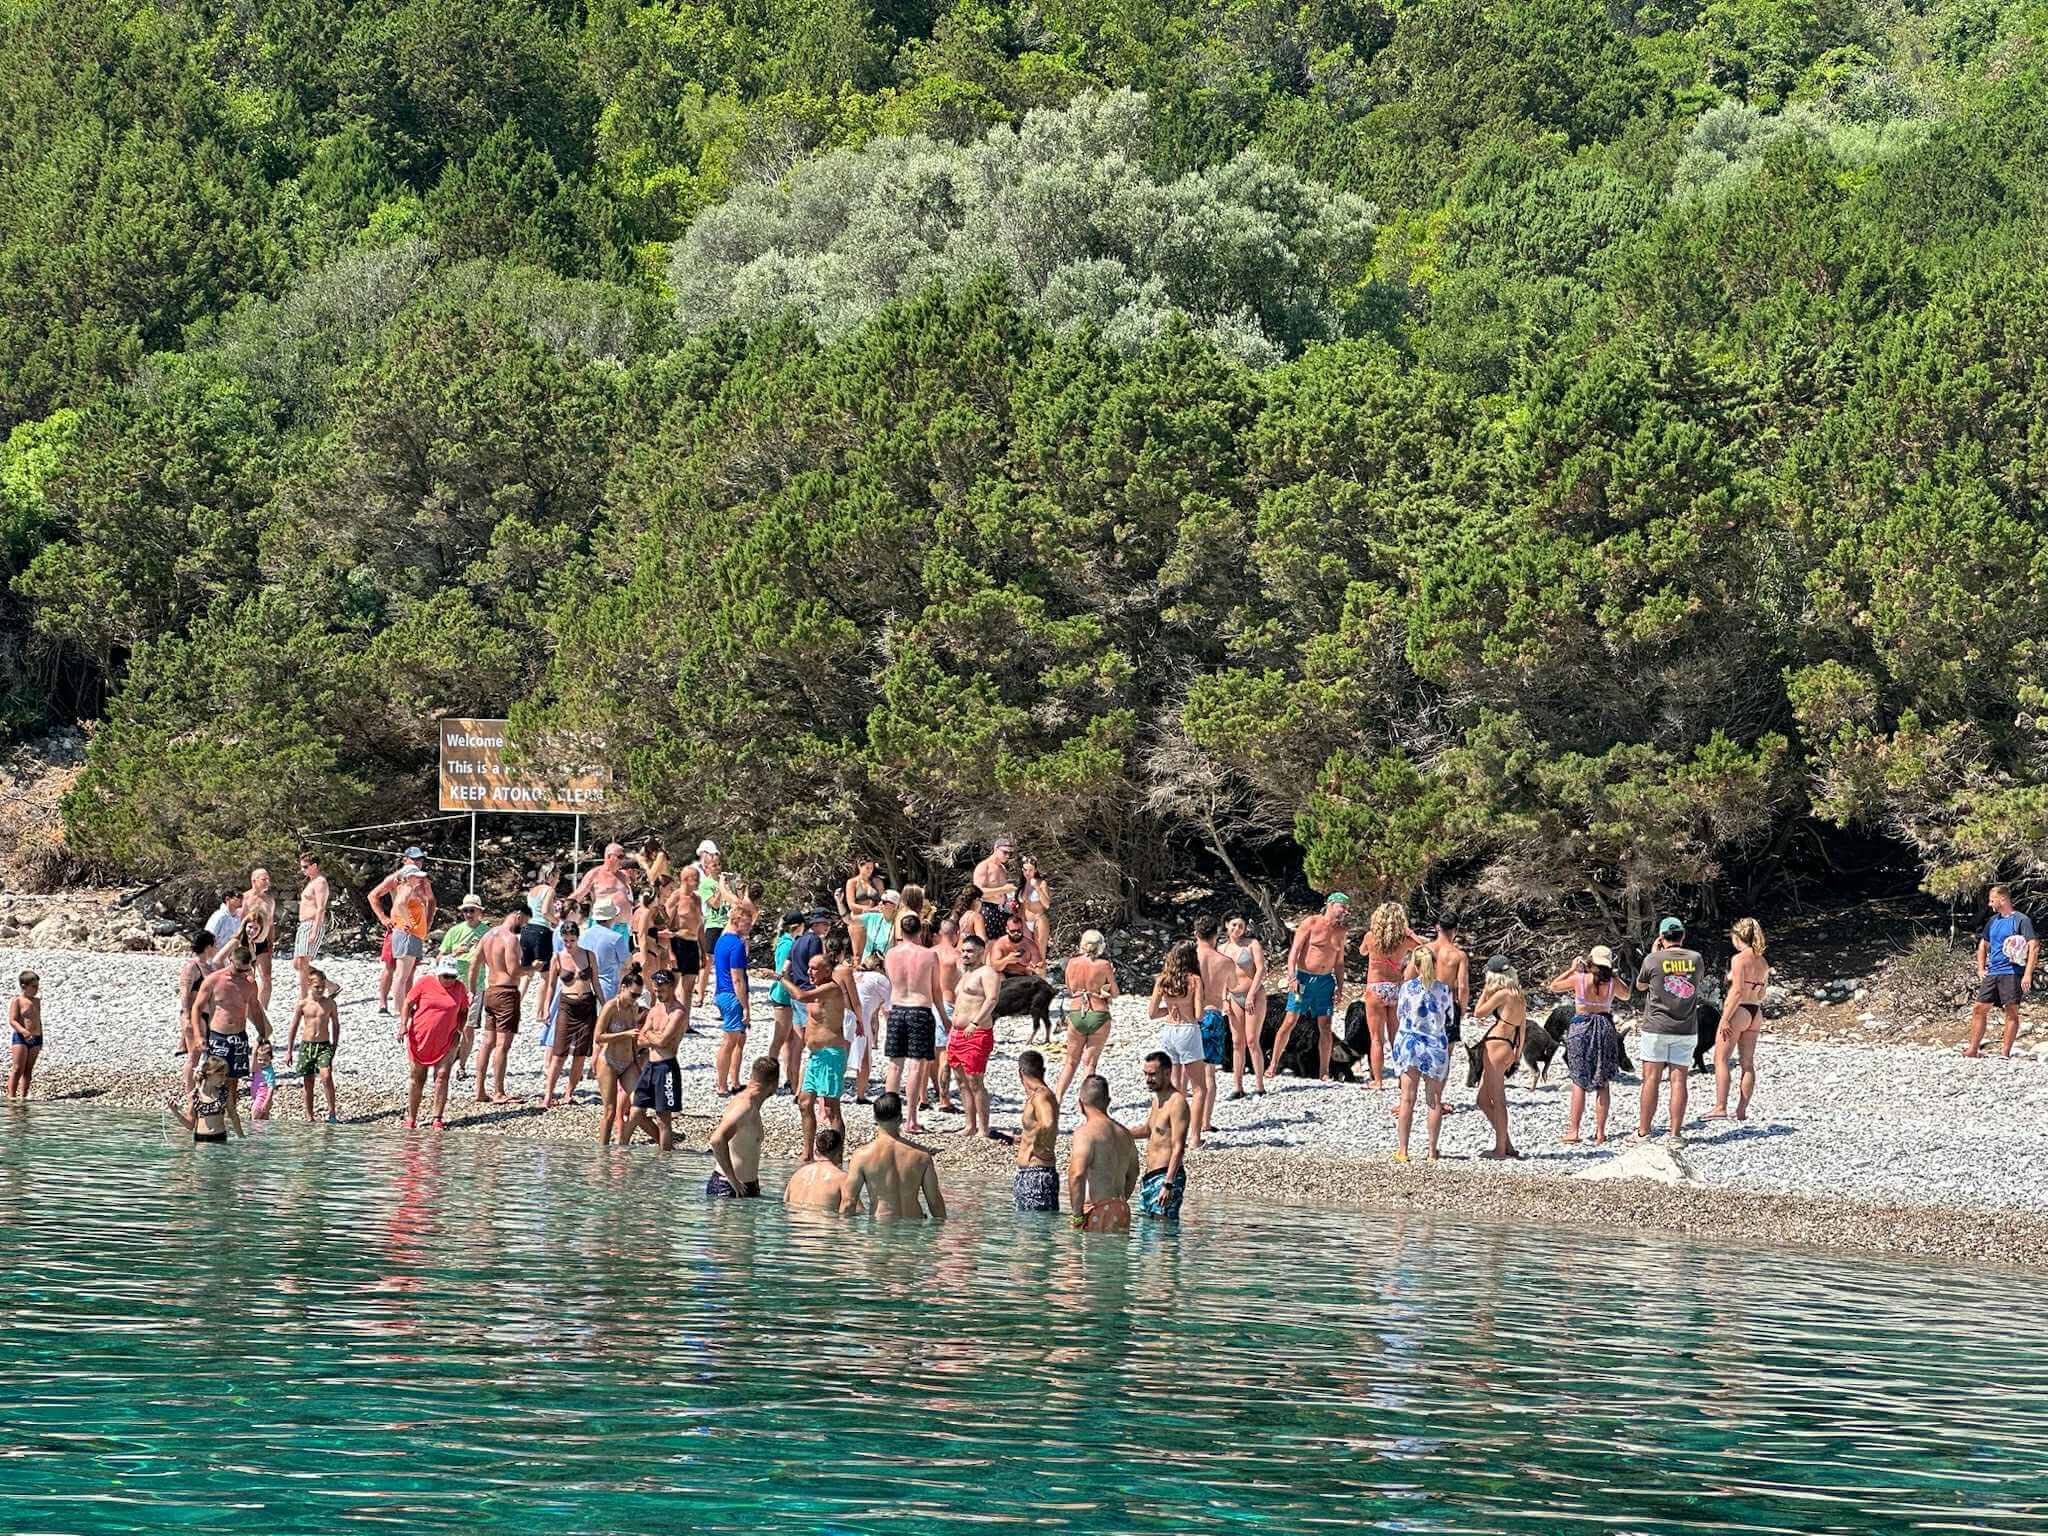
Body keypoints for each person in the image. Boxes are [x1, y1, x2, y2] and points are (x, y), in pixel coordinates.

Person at [1550, 945, 1631, 1145]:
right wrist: (1614, 974)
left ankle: (1574, 1131)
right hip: (1604, 1026)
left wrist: (1572, 969)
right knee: (1602, 1081)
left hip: (1581, 1026)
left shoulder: (1580, 979)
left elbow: (1554, 986)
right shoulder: (1612, 982)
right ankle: (1600, 1132)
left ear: (1591, 961)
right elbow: (1627, 995)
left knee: (1578, 1080)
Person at [1634, 918, 1703, 1144]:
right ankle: (1675, 1134)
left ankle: (1644, 1132)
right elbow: (1696, 982)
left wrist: (1655, 954)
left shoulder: (1653, 959)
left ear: (1661, 937)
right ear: (1683, 936)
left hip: (1656, 1026)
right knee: (1679, 1080)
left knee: (1651, 1079)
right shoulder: (1696, 958)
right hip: (1686, 1027)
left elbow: (1641, 986)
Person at [883, 914, 946, 1132]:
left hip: (897, 1009)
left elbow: (891, 982)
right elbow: (936, 991)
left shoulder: (891, 954)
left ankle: (888, 1117)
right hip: (920, 1010)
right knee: (916, 1066)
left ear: (901, 932)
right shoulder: (929, 955)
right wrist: (945, 1018)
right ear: (920, 931)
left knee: (894, 1065)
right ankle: (911, 1119)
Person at [841, 1091, 946, 1221]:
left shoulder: (862, 1156)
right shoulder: (922, 1156)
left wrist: (843, 1230)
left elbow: (849, 1202)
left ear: (875, 1118)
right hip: (914, 1226)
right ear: (900, 1118)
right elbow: (934, 1202)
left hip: (881, 1227)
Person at [1390, 945, 1453, 1162]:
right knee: (1434, 1101)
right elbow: (1449, 1017)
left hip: (1410, 1044)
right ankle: (1431, 1152)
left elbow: (1400, 1014)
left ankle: (1403, 1151)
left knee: (1407, 1099)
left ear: (1415, 966)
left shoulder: (1407, 988)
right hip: (1435, 1045)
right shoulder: (1443, 989)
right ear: (1434, 964)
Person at [1277, 894, 1348, 1080]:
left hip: (1325, 982)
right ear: (1330, 904)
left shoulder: (1341, 931)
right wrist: (1292, 977)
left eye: (1346, 908)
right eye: (1342, 906)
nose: (1345, 911)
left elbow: (1339, 963)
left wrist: (1340, 987)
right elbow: (1294, 951)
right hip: (1304, 979)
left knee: (1325, 1025)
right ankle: (1273, 1064)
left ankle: (1324, 1071)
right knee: (1290, 1020)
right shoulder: (1311, 922)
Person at [791, 948, 853, 1160]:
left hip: (831, 1054)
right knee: (804, 1103)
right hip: (815, 1056)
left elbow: (800, 996)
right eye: (808, 968)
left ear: (827, 971)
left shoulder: (832, 988)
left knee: (831, 1108)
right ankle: (807, 1152)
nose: (809, 972)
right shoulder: (818, 989)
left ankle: (837, 1156)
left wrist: (780, 978)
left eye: (814, 969)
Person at [1359, 902, 1424, 1096]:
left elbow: (1362, 951)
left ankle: (1378, 1080)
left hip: (1376, 988)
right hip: (1396, 988)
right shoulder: (1404, 940)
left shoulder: (1370, 937)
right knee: (1397, 1037)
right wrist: (1410, 933)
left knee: (1376, 1038)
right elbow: (1425, 948)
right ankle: (1401, 1079)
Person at [1148, 940, 1208, 1148]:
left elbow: (1152, 1013)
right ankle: (1195, 1138)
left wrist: (1170, 1008)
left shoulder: (1162, 979)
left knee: (1175, 1087)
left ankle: (1174, 1135)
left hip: (1168, 1031)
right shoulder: (1194, 980)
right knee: (1199, 1089)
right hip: (1187, 1030)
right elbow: (1199, 1015)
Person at [1966, 884, 2038, 1059]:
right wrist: (1981, 968)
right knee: (1979, 1008)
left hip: (2012, 972)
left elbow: (2034, 946)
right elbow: (1983, 944)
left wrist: (2028, 974)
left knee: (2011, 1010)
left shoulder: (2021, 920)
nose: (1990, 904)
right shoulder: (1993, 921)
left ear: (2003, 899)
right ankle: (1973, 1049)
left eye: (1992, 900)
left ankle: (2004, 1053)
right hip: (1993, 971)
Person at [1708, 917, 1769, 1121]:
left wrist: (1725, 1018)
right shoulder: (1763, 961)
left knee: (1721, 1059)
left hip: (1739, 1010)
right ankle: (1741, 1110)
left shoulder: (1739, 959)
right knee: (1747, 1063)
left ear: (1737, 937)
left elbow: (1736, 991)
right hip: (1755, 1011)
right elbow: (1761, 993)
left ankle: (1720, 1107)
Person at [188, 942, 271, 1089]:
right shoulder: (213, 980)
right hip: (218, 1036)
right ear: (230, 961)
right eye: (238, 969)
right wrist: (198, 1036)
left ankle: (231, 1104)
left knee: (234, 1080)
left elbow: (255, 1009)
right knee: (214, 1077)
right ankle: (207, 1101)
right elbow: (197, 1008)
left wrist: (262, 1034)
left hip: (239, 1036)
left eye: (246, 970)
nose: (241, 973)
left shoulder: (250, 983)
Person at [400, 956, 468, 1130]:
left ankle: (437, 1118)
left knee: (442, 1075)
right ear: (438, 973)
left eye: (453, 976)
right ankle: (411, 1118)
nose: (449, 980)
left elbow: (463, 1011)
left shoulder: (459, 988)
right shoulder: (424, 983)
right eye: (446, 976)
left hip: (447, 1039)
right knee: (417, 1076)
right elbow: (408, 1003)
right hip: (420, 1037)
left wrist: (459, 1031)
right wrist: (403, 1025)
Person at [1469, 957, 1526, 1160]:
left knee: (1498, 1100)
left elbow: (1478, 1013)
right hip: (1509, 1044)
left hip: (1496, 1044)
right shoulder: (1518, 994)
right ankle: (1506, 1143)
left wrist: (1485, 991)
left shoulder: (1502, 994)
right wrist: (1517, 1052)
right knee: (1483, 1099)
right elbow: (1523, 1025)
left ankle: (1500, 1149)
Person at [469, 910, 529, 1105]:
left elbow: (474, 964)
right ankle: (499, 1092)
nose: (524, 927)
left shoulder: (487, 935)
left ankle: (479, 1090)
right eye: (524, 922)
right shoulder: (510, 939)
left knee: (487, 1042)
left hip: (491, 991)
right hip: (507, 993)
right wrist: (533, 967)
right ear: (518, 916)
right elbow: (514, 970)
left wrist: (472, 990)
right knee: (502, 1045)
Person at [540, 917, 601, 1107]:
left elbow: (596, 983)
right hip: (567, 1005)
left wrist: (605, 1005)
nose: (568, 944)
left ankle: (569, 1093)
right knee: (559, 1053)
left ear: (577, 938)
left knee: (580, 1054)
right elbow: (551, 986)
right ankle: (548, 1096)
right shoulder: (557, 957)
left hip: (587, 1004)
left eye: (572, 940)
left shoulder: (589, 955)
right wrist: (546, 1008)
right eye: (565, 940)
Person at [1053, 929, 1118, 1104]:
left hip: (1076, 1012)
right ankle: (1085, 1103)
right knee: (1090, 1064)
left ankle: (1057, 1099)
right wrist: (1103, 988)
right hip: (1098, 1012)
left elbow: (1070, 989)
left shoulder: (1071, 963)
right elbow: (1115, 993)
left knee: (1070, 1061)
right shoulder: (1104, 965)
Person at [947, 932, 1001, 1140]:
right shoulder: (965, 973)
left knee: (975, 1080)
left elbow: (992, 999)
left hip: (976, 1033)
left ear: (981, 951)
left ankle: (983, 1128)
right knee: (961, 1081)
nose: (965, 954)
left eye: (969, 951)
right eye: (963, 951)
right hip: (957, 1033)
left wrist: (975, 1022)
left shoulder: (987, 972)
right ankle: (969, 1125)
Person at [1067, 1074, 1139, 1231]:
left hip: (1097, 1209)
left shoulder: (1085, 1133)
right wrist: (1118, 1203)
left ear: (1080, 1103)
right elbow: (1134, 1173)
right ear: (1108, 1102)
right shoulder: (1125, 1134)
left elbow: (1077, 1175)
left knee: (1090, 1247)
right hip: (1122, 1209)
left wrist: (1077, 1216)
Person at [368, 852, 436, 1017]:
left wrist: (427, 923)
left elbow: (431, 901)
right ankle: (386, 1004)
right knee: (391, 967)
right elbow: (374, 896)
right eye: (415, 859)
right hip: (400, 929)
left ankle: (406, 1005)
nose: (418, 862)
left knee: (408, 970)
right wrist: (384, 918)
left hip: (412, 931)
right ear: (405, 859)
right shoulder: (398, 879)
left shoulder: (420, 882)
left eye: (420, 859)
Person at [600, 965, 659, 1147]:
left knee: (639, 1107)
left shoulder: (634, 1008)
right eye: (633, 994)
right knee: (610, 1111)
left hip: (628, 1062)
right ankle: (602, 1153)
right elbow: (598, 1037)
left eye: (638, 995)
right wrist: (624, 1034)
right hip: (609, 1062)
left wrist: (636, 1062)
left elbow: (634, 1038)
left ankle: (666, 1147)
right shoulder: (611, 1007)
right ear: (623, 987)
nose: (635, 999)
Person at [1131, 1051, 1191, 1221]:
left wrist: (1168, 1184)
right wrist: (1115, 1131)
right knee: (1146, 1230)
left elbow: (1179, 1147)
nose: (1147, 1079)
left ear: (1167, 1073)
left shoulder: (1177, 1103)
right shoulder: (1157, 1099)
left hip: (1166, 1178)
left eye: (1152, 1074)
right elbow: (1148, 1130)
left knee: (1162, 1230)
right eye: (1145, 1074)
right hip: (1150, 1178)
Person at [708, 1056, 778, 1198]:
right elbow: (716, 1140)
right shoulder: (745, 1106)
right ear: (774, 1083)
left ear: (751, 1076)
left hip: (744, 1188)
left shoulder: (751, 1105)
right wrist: (732, 1179)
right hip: (728, 1188)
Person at [1191, 916, 1234, 1135]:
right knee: (1208, 1075)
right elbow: (1234, 984)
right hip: (1212, 1015)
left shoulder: (1188, 959)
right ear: (1216, 935)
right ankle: (1205, 1122)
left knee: (1183, 1074)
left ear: (1196, 934)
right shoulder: (1225, 961)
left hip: (1189, 1015)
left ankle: (1183, 1121)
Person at [782, 909, 832, 1090]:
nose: (827, 926)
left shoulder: (797, 941)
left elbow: (785, 969)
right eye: (824, 923)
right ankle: (813, 1084)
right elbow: (816, 967)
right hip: (810, 995)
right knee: (815, 1042)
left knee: (798, 1042)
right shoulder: (814, 940)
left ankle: (794, 1084)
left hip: (796, 994)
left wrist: (791, 987)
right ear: (815, 924)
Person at [285, 968, 342, 1122]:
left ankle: (332, 1113)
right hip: (307, 1046)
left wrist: (334, 1045)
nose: (320, 990)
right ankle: (309, 1115)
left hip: (324, 1045)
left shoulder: (330, 1004)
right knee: (308, 1081)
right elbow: (294, 1026)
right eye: (317, 987)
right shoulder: (303, 1004)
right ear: (309, 985)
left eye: (322, 987)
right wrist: (289, 1050)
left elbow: (336, 1025)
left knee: (326, 1075)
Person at [989, 912, 1055, 1042]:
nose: (1016, 933)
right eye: (1013, 931)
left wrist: (1035, 967)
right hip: (1005, 977)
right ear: (1007, 929)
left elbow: (1038, 966)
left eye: (1019, 931)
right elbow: (994, 965)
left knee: (1037, 980)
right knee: (995, 974)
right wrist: (1007, 960)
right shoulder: (1000, 944)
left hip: (1023, 978)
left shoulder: (1029, 944)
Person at [1221, 916, 1268, 1100]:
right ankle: (1238, 1086)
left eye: (1241, 926)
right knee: (1236, 1042)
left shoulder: (1252, 944)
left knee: (1252, 1040)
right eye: (1234, 925)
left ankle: (1259, 1085)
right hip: (1234, 996)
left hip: (1254, 995)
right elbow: (1221, 975)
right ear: (1227, 925)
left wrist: (1251, 995)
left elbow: (1261, 970)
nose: (1237, 929)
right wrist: (1224, 999)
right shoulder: (1222, 949)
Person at [712, 905, 756, 1096]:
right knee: (729, 1041)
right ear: (736, 921)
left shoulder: (722, 940)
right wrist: (745, 1006)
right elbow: (737, 978)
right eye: (746, 923)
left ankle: (735, 1082)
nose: (749, 927)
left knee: (740, 1039)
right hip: (731, 995)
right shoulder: (736, 944)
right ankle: (721, 1085)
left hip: (724, 992)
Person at [440, 893, 493, 1045]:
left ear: (479, 911)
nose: (469, 914)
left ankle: (462, 1058)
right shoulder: (454, 931)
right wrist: (454, 953)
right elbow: (440, 959)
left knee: (469, 1026)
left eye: (472, 910)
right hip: (453, 983)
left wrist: (482, 952)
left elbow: (494, 961)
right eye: (465, 910)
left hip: (476, 985)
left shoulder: (488, 932)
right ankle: (448, 1053)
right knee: (450, 1021)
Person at [691, 841, 736, 1011]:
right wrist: (721, 888)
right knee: (708, 961)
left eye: (719, 865)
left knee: (726, 962)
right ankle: (700, 995)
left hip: (727, 924)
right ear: (708, 868)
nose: (718, 868)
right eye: (714, 866)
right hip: (713, 924)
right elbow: (715, 904)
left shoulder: (726, 884)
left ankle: (723, 995)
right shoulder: (706, 885)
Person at [1013, 1049, 1060, 1211]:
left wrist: (1035, 1148)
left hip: (1036, 1173)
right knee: (1030, 1224)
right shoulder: (1043, 1095)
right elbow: (1042, 1126)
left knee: (1031, 1225)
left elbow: (1047, 1123)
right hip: (1035, 1173)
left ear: (1021, 1072)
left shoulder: (1041, 1096)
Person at [176, 930, 217, 1093]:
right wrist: (187, 1018)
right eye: (214, 945)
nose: (216, 948)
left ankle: (201, 1088)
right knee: (194, 1055)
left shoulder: (210, 967)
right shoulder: (191, 967)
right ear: (208, 947)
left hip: (208, 1016)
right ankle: (189, 1092)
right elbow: (184, 993)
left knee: (205, 1054)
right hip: (194, 1015)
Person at [172, 1055, 244, 1145]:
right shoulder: (195, 1096)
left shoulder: (224, 1093)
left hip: (220, 1138)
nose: (224, 1078)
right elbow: (190, 1125)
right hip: (201, 1140)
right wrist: (176, 1112)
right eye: (221, 1075)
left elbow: (234, 1116)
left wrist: (242, 1138)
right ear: (209, 1074)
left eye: (225, 1075)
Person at [848, 953, 891, 1104]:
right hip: (862, 1019)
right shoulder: (880, 979)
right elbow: (889, 1007)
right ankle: (860, 1095)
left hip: (843, 1015)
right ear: (879, 967)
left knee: (840, 1054)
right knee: (864, 1059)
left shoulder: (854, 975)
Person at [570, 843, 636, 936]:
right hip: (602, 926)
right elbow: (578, 894)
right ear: (609, 856)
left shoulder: (623, 876)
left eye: (624, 857)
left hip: (623, 927)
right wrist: (564, 912)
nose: (622, 860)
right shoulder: (595, 874)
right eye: (620, 857)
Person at [1432, 912, 1472, 1060]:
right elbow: (1463, 987)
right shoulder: (1458, 955)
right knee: (1446, 1053)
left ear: (1437, 927)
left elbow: (1408, 977)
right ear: (1455, 930)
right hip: (1447, 1004)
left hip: (1425, 1002)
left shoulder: (1424, 950)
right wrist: (1462, 1008)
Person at [292, 851, 330, 1004]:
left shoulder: (320, 882)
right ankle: (330, 985)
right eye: (302, 867)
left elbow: (321, 907)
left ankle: (303, 999)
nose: (303, 870)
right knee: (297, 963)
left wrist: (315, 930)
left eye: (305, 867)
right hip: (304, 925)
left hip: (312, 924)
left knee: (303, 963)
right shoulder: (311, 882)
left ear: (314, 866)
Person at [519, 865, 559, 1013]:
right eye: (557, 876)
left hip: (526, 930)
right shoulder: (549, 890)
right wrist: (556, 921)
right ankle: (540, 1011)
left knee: (527, 974)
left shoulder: (532, 891)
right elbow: (545, 912)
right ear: (551, 876)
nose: (558, 880)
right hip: (541, 931)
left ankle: (515, 1004)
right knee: (545, 975)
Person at [785, 1126, 850, 1209]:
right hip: (823, 1217)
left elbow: (786, 1203)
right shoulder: (842, 1178)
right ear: (839, 1150)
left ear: (816, 1150)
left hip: (795, 1217)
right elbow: (853, 1206)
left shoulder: (797, 1174)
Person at [240, 868, 277, 1010]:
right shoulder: (245, 898)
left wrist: (271, 943)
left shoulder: (269, 900)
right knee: (247, 977)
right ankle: (244, 1008)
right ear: (254, 881)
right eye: (264, 879)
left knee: (266, 977)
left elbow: (271, 923)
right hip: (246, 943)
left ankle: (262, 1010)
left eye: (268, 879)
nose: (267, 882)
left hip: (262, 943)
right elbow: (239, 922)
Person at [971, 835, 1019, 941]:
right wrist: (1004, 889)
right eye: (1005, 852)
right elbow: (977, 892)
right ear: (996, 849)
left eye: (1010, 853)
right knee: (988, 943)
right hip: (987, 909)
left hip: (1003, 911)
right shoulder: (984, 866)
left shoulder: (1002, 868)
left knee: (1002, 944)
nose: (1008, 856)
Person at [8, 970, 43, 1100]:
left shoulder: (37, 1001)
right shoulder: (17, 1001)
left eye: (37, 986)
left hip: (36, 1038)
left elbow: (38, 1020)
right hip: (21, 1038)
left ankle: (24, 1096)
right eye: (33, 986)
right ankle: (11, 1097)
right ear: (24, 986)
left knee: (28, 1069)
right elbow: (12, 1020)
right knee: (18, 1068)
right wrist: (24, 1031)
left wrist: (41, 1037)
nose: (36, 989)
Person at [1018, 856, 1053, 966]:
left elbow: (1047, 904)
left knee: (1040, 955)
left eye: (1030, 870)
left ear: (1035, 870)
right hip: (1025, 922)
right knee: (1027, 954)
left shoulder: (1041, 883)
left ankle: (1041, 975)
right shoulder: (1022, 885)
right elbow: (1022, 905)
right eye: (1025, 870)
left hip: (1039, 919)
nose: (1027, 873)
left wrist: (1037, 888)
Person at [860, 890, 899, 964]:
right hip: (866, 965)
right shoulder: (873, 917)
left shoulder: (898, 924)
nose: (880, 903)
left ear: (894, 906)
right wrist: (840, 902)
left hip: (885, 967)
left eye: (884, 902)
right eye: (880, 901)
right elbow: (848, 920)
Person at [843, 858, 883, 931]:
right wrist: (869, 909)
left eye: (872, 868)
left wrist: (879, 907)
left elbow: (882, 900)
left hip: (874, 918)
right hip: (858, 919)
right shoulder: (852, 882)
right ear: (859, 867)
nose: (870, 870)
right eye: (867, 868)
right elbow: (851, 905)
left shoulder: (877, 881)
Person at [205, 889, 244, 956]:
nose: (241, 899)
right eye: (238, 897)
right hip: (216, 955)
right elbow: (208, 937)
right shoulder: (219, 916)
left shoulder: (237, 918)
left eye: (242, 897)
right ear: (227, 899)